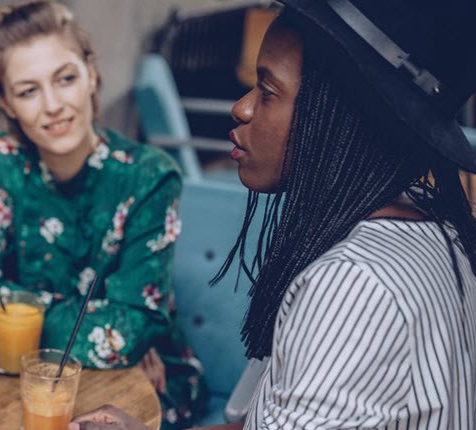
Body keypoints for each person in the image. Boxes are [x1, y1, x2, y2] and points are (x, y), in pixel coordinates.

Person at [72, 0, 476, 428]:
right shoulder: (429, 223)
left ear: (337, 119)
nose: (242, 109)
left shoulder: (354, 286)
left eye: (267, 92)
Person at [0, 1, 207, 428]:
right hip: (28, 376)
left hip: (142, 381)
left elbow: (132, 328)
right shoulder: (4, 160)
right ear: (7, 103)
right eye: (28, 90)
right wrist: (101, 326)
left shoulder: (149, 177)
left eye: (66, 79)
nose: (53, 105)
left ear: (91, 73)